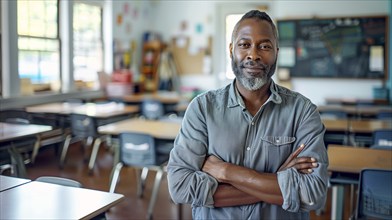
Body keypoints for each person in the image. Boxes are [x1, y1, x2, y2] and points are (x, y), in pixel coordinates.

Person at [167, 10, 329, 219]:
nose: (254, 54)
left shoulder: (303, 112)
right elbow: (180, 187)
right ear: (231, 50)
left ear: (276, 52)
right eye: (244, 45)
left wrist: (226, 172)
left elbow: (313, 194)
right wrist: (277, 180)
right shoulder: (202, 109)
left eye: (264, 46)